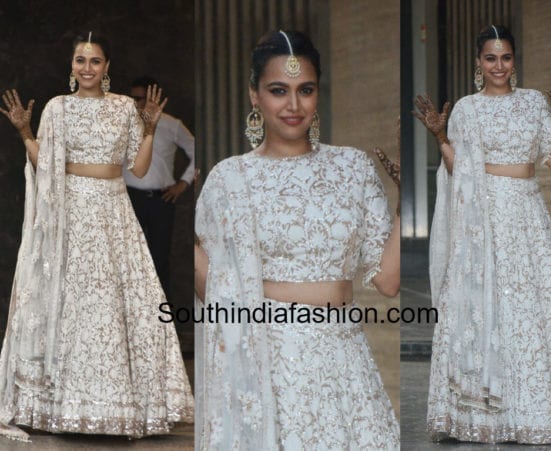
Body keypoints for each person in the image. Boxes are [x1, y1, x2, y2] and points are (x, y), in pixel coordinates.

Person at [194, 30, 401, 449]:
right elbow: (213, 283)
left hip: (344, 358)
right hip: (268, 355)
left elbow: (387, 281)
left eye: (305, 90)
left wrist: (404, 203)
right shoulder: (230, 177)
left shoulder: (353, 167)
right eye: (277, 91)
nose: (293, 105)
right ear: (255, 96)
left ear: (317, 93)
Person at [0, 32, 193, 441]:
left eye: (95, 61)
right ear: (72, 66)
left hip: (113, 211)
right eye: (80, 60)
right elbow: (47, 165)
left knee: (121, 302)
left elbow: (137, 171)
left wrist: (148, 129)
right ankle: (63, 406)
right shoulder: (58, 108)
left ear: (107, 68)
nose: (87, 67)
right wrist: (24, 132)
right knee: (75, 303)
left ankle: (125, 407)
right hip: (72, 213)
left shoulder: (124, 107)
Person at [413, 25, 551, 444]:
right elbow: (459, 170)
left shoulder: (534, 102)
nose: (499, 66)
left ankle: (537, 408)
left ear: (515, 60)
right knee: (488, 306)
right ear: (478, 63)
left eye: (507, 57)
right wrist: (442, 137)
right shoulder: (466, 108)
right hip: (483, 216)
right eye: (491, 58)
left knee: (537, 306)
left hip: (527, 212)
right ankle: (483, 414)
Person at [123, 76, 195, 296]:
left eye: (141, 99)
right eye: (133, 98)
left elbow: (197, 151)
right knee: (127, 259)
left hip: (160, 200)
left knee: (159, 259)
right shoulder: (123, 123)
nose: (136, 104)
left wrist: (183, 183)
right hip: (128, 198)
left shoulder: (171, 125)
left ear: (156, 99)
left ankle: (162, 321)